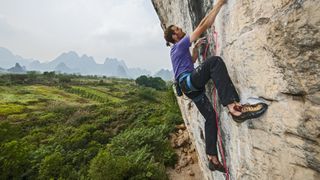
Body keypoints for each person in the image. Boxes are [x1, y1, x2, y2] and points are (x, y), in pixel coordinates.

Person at [163, 0, 268, 173]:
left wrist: (195, 50)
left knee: (211, 118)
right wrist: (219, 4)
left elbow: (191, 62)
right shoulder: (181, 44)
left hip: (189, 88)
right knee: (214, 63)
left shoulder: (174, 51)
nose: (181, 29)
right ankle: (233, 106)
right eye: (178, 30)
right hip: (190, 83)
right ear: (175, 36)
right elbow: (204, 24)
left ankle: (212, 157)